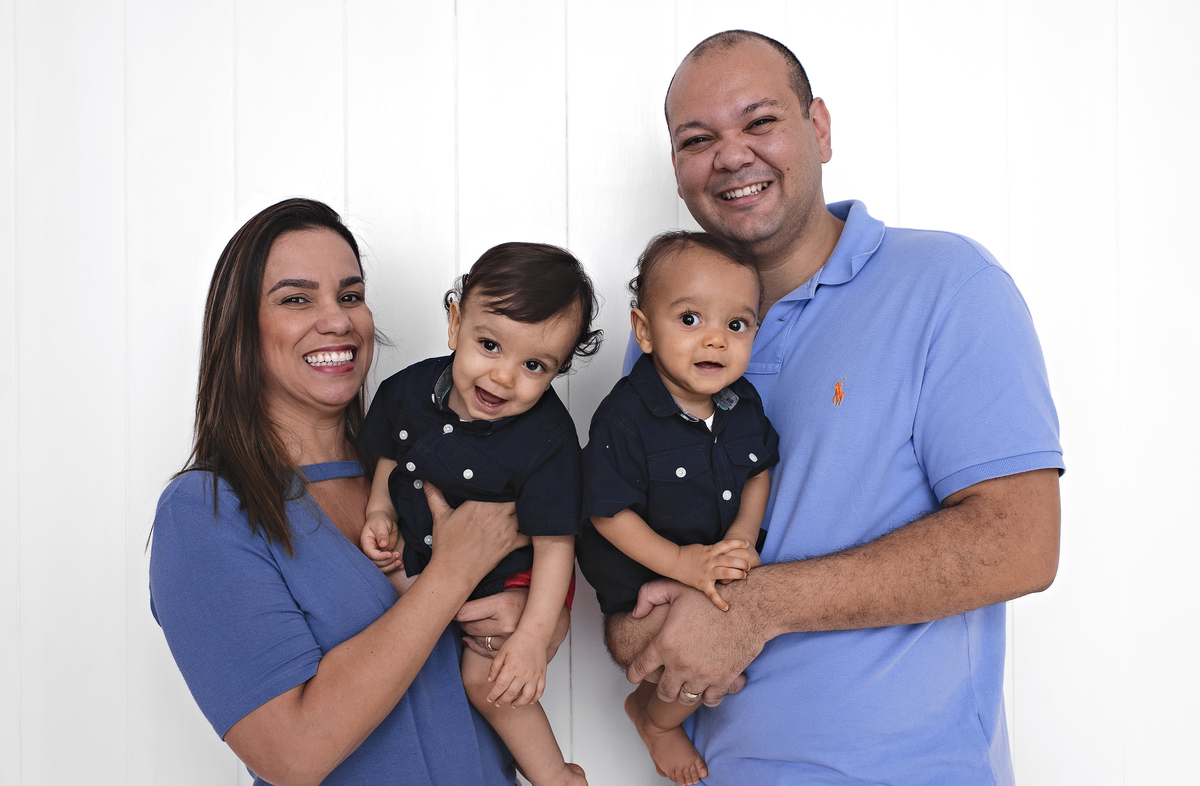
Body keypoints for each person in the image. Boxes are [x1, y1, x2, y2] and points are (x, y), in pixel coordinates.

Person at [601, 30, 1063, 784]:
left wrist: (755, 608)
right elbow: (626, 541)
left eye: (760, 122)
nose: (731, 155)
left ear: (818, 128)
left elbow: (1021, 540)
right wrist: (631, 629)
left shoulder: (949, 283)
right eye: (697, 138)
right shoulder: (667, 332)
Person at [149, 197, 567, 785]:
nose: (340, 321)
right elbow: (291, 755)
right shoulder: (205, 514)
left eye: (350, 296)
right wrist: (452, 574)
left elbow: (534, 575)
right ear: (241, 327)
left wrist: (532, 622)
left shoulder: (429, 470)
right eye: (297, 299)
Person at [358, 242, 599, 786]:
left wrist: (535, 637)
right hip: (424, 548)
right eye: (489, 345)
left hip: (514, 567)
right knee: (384, 608)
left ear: (559, 369)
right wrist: (379, 510)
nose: (504, 378)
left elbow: (556, 545)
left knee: (484, 677)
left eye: (534, 365)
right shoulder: (408, 392)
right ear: (455, 322)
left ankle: (556, 775)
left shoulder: (550, 439)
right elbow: (391, 453)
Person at [577, 231, 779, 786]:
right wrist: (682, 565)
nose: (715, 341)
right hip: (637, 565)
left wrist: (740, 537)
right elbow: (607, 514)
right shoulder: (623, 416)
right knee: (695, 649)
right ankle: (656, 720)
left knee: (728, 634)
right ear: (644, 330)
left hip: (706, 554)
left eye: (735, 325)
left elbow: (758, 470)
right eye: (691, 319)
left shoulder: (742, 404)